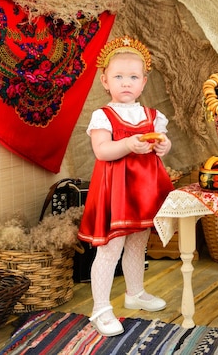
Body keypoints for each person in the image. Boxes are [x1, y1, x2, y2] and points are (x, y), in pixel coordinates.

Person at [78, 35, 174, 337]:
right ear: (105, 81)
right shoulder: (102, 116)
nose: (126, 83)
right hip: (115, 191)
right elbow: (102, 151)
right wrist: (129, 144)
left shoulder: (152, 116)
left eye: (133, 77)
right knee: (110, 248)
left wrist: (163, 146)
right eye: (118, 77)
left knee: (138, 242)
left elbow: (163, 145)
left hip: (142, 189)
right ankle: (101, 308)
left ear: (143, 82)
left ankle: (135, 293)